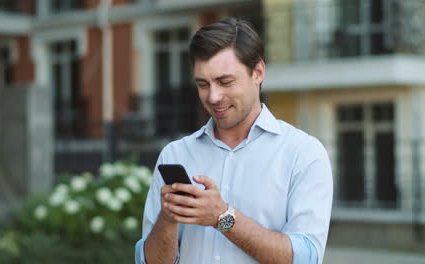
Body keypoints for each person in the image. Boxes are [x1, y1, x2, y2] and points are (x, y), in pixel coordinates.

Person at [135, 17, 333, 264]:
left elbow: (305, 259)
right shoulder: (175, 154)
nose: (214, 96)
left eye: (225, 81)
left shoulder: (303, 154)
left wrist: (222, 217)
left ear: (258, 72)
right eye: (203, 84)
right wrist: (168, 218)